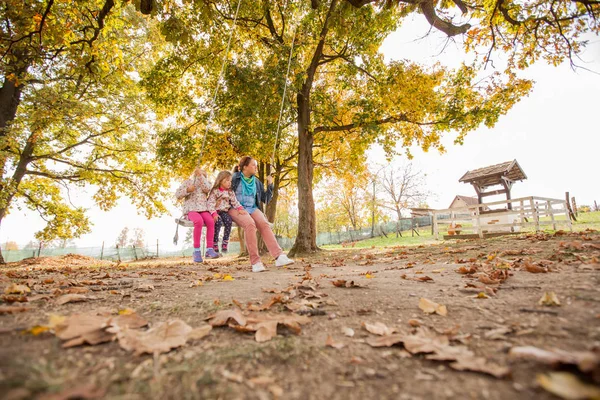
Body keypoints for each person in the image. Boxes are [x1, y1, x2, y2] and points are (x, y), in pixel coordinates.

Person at [229, 156, 294, 272]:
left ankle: (279, 257)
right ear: (245, 167)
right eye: (253, 165)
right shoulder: (234, 178)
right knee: (250, 224)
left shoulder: (256, 182)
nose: (255, 167)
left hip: (251, 208)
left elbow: (266, 199)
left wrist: (270, 185)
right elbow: (222, 190)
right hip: (235, 208)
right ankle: (256, 262)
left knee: (264, 224)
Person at [175, 167, 220, 262]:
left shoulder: (206, 184)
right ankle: (196, 251)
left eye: (203, 175)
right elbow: (178, 195)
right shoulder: (188, 182)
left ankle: (209, 249)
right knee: (198, 221)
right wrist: (187, 190)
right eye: (198, 174)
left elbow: (207, 189)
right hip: (191, 210)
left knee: (211, 221)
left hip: (203, 209)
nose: (200, 176)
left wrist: (201, 177)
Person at [207, 170, 244, 255]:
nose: (229, 183)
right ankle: (215, 242)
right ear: (220, 181)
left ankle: (225, 242)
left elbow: (235, 201)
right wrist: (213, 213)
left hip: (224, 211)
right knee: (218, 222)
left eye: (230, 181)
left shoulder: (230, 192)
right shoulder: (215, 191)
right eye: (227, 180)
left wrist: (240, 208)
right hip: (215, 211)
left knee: (228, 221)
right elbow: (210, 203)